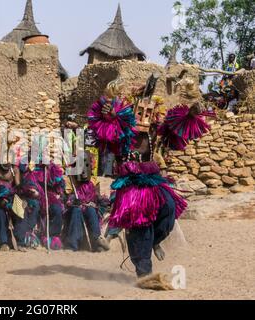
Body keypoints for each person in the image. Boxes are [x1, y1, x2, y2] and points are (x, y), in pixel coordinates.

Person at [87, 77, 215, 288]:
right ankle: (144, 274)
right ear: (129, 111)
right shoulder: (121, 134)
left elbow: (176, 128)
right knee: (141, 227)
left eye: (148, 112)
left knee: (169, 208)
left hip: (153, 182)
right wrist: (108, 113)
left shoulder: (155, 131)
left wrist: (191, 113)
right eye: (140, 111)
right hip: (131, 187)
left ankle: (155, 241)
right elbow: (104, 130)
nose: (144, 116)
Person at [64, 151, 110, 252]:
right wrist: (73, 201)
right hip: (75, 207)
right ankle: (73, 244)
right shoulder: (71, 179)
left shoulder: (93, 180)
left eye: (87, 165)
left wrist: (96, 202)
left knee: (91, 211)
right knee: (76, 211)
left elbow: (97, 197)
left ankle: (97, 241)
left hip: (89, 205)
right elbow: (66, 198)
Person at [0, 153, 21, 251]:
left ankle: (20, 240)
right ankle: (3, 242)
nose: (7, 161)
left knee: (21, 210)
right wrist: (0, 197)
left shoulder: (15, 169)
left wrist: (13, 199)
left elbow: (18, 188)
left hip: (11, 198)